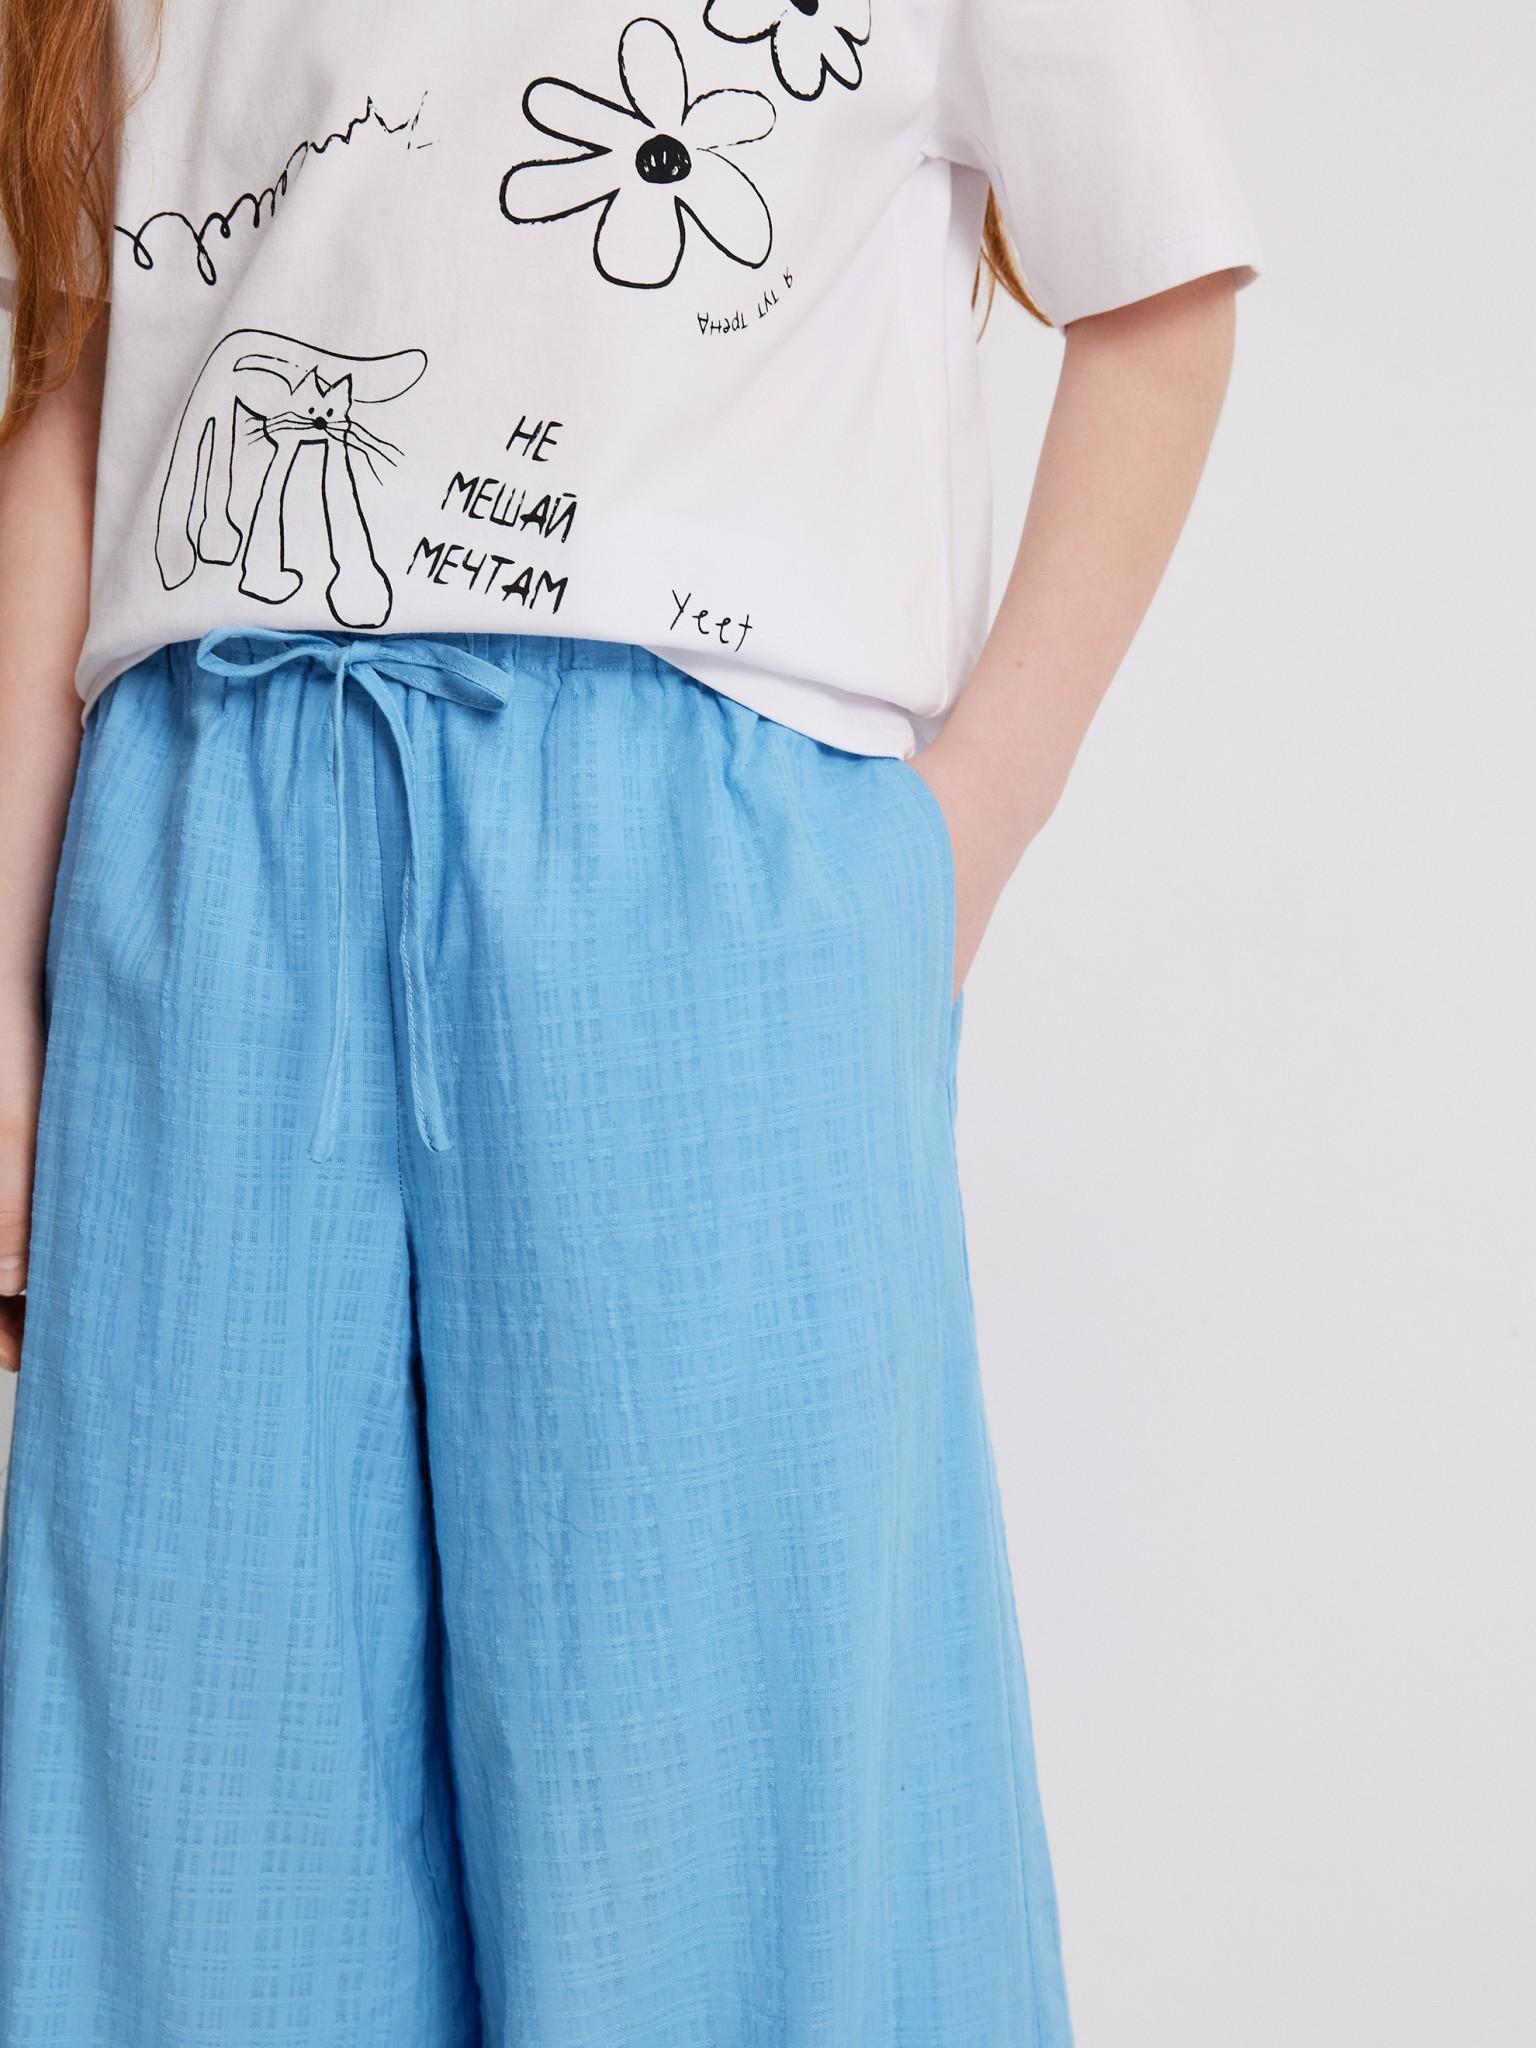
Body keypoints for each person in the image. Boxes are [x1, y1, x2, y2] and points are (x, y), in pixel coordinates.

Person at [0, 1, 1259, 2042]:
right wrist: (6, 1014)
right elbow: (74, 390)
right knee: (191, 1826)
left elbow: (1162, 284)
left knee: (729, 1830)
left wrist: (952, 846)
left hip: (692, 862)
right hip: (201, 855)